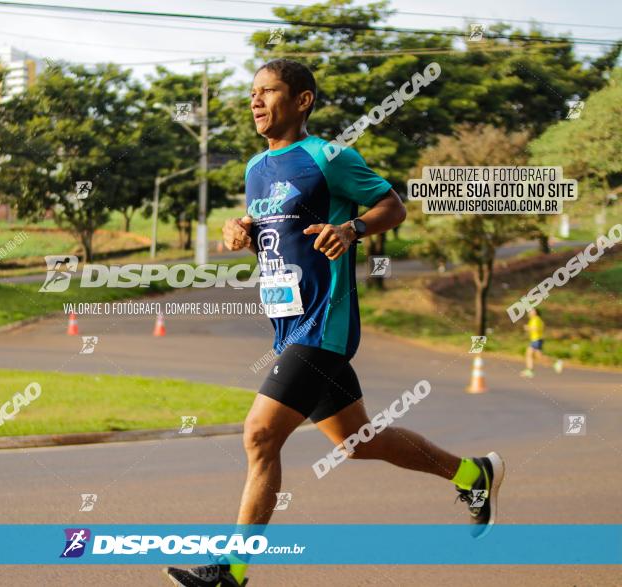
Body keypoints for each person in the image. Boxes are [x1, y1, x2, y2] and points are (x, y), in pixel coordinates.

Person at [163, 59, 504, 587]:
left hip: (324, 327)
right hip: (289, 327)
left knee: (258, 436)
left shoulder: (328, 157)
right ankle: (472, 473)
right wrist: (243, 230)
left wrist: (351, 229)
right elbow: (280, 231)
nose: (255, 101)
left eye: (268, 91)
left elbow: (392, 205)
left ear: (302, 101)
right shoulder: (255, 168)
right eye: (252, 93)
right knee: (358, 442)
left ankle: (232, 570)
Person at [520, 308, 563, 378]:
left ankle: (530, 370)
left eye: (531, 311)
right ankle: (555, 363)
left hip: (536, 340)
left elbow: (536, 328)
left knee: (530, 354)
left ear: (536, 312)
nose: (530, 312)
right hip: (535, 340)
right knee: (537, 356)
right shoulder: (534, 319)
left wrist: (528, 328)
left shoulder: (536, 319)